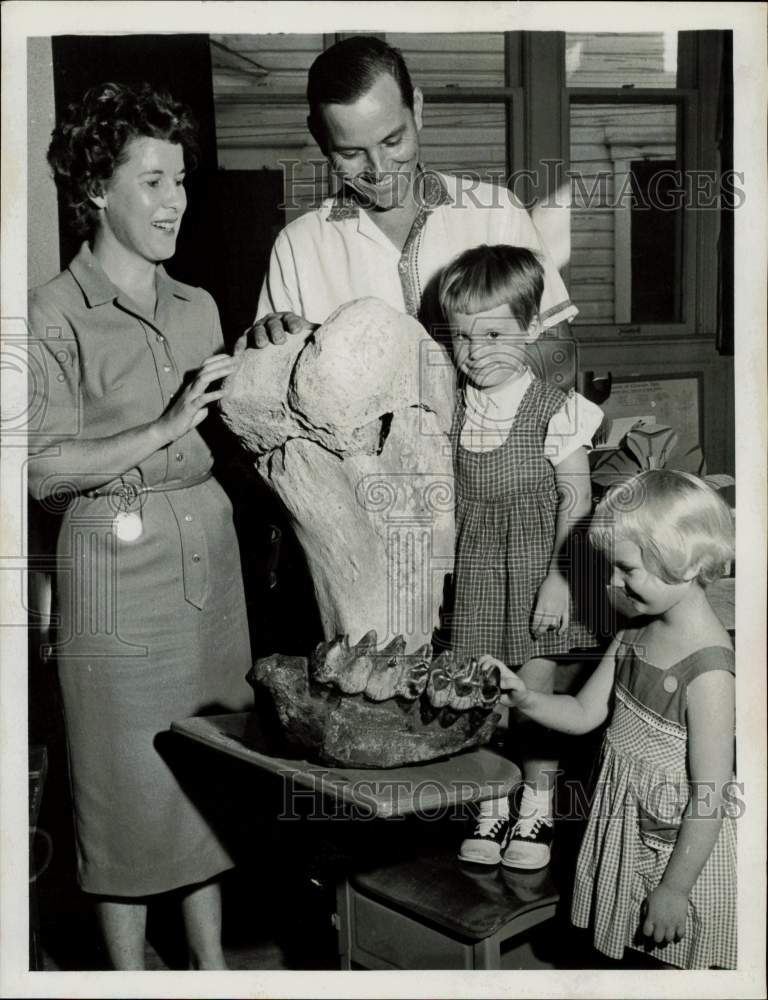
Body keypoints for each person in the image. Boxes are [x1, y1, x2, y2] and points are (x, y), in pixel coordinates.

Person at [27, 82, 252, 970]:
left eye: (182, 181)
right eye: (153, 182)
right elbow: (43, 468)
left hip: (212, 561)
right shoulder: (51, 314)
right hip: (114, 573)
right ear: (96, 191)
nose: (176, 203)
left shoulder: (198, 304)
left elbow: (231, 427)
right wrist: (164, 423)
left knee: (206, 779)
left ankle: (212, 969)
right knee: (124, 793)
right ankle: (124, 982)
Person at [482, 469, 737, 969]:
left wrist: (674, 888)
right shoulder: (633, 633)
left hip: (676, 854)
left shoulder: (708, 671)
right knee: (619, 958)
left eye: (626, 570)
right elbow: (582, 712)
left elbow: (711, 793)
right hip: (624, 825)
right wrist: (524, 697)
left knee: (667, 967)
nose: (611, 583)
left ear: (682, 564)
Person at [243, 34, 576, 348]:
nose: (379, 169)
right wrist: (274, 352)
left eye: (392, 141)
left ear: (416, 108)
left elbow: (557, 358)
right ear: (319, 136)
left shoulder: (497, 213)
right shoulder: (298, 246)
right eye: (350, 153)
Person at [438, 244, 603, 870]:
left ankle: (536, 809)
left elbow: (578, 498)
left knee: (532, 697)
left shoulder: (555, 407)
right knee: (482, 693)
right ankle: (493, 800)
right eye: (461, 337)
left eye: (495, 334)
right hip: (479, 570)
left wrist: (561, 579)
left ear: (532, 329)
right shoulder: (457, 405)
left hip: (539, 569)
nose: (476, 352)